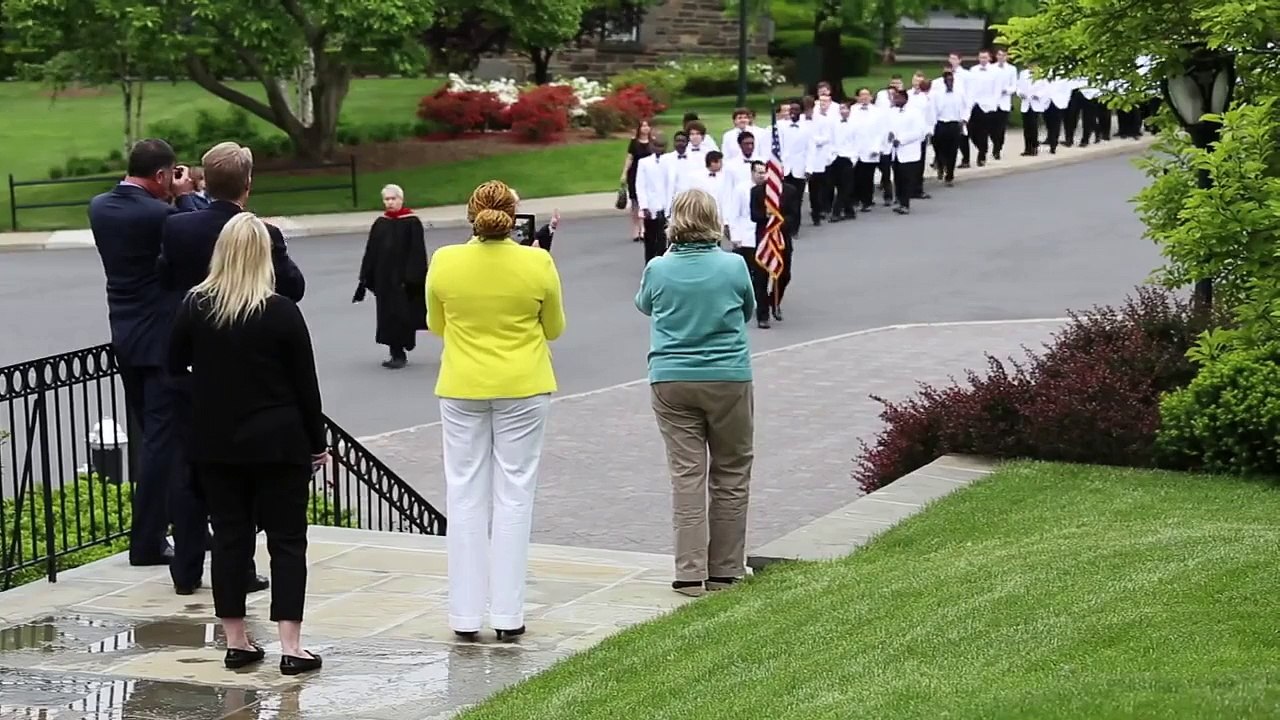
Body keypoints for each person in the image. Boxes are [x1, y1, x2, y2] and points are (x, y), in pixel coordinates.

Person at [167, 212, 326, 677]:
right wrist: (317, 443)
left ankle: (236, 640)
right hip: (278, 441)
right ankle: (291, 646)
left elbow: (173, 364)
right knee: (287, 541)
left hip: (216, 441)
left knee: (231, 538)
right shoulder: (280, 310)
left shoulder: (195, 305)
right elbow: (305, 385)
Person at [160, 140, 306, 594]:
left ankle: (186, 569)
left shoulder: (178, 229)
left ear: (205, 178)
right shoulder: (263, 235)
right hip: (256, 384)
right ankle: (241, 569)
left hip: (200, 373)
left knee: (194, 477)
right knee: (252, 492)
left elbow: (167, 280)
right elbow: (293, 289)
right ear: (248, 184)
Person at [426, 180, 566, 643]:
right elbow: (554, 328)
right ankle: (508, 613)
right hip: (523, 384)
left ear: (472, 216)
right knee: (514, 494)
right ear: (512, 216)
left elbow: (436, 323)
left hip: (463, 384)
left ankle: (464, 615)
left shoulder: (445, 260)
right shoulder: (537, 261)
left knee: (464, 494)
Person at [634, 188, 755, 598]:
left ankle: (689, 571)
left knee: (687, 474)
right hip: (727, 376)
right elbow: (747, 309)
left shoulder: (658, 268)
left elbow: (644, 305)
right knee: (732, 469)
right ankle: (726, 568)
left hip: (671, 378)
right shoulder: (734, 265)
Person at [88, 138, 195, 572]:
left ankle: (180, 527)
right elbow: (194, 239)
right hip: (162, 342)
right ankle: (148, 540)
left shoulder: (99, 207)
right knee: (161, 443)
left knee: (156, 439)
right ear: (161, 175)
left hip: (126, 336)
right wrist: (187, 198)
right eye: (171, 176)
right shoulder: (162, 215)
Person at [355, 184, 428, 369]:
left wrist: (413, 277)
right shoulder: (381, 223)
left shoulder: (411, 222)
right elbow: (371, 250)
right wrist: (366, 276)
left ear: (401, 199)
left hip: (404, 280)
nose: (390, 202)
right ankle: (394, 352)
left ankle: (401, 350)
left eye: (393, 199)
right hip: (384, 278)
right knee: (387, 315)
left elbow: (417, 252)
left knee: (402, 314)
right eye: (386, 199)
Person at [886, 89, 929, 215]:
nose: (895, 100)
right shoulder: (891, 112)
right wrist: (890, 135)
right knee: (898, 178)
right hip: (895, 153)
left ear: (905, 99)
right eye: (894, 98)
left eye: (898, 98)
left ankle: (905, 203)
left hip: (909, 151)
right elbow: (888, 127)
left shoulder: (915, 112)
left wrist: (901, 139)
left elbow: (919, 132)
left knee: (906, 179)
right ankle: (899, 200)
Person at [636, 135, 672, 264]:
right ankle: (649, 263)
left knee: (663, 239)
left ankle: (662, 263)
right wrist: (644, 206)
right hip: (650, 206)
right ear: (651, 146)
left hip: (665, 205)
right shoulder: (644, 162)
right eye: (656, 146)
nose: (658, 149)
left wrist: (669, 207)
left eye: (661, 146)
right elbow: (640, 185)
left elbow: (671, 184)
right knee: (650, 238)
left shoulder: (670, 161)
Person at [931, 71, 969, 186]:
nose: (949, 83)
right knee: (939, 149)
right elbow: (933, 110)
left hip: (954, 124)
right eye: (947, 80)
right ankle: (941, 165)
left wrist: (964, 119)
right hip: (941, 124)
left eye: (951, 80)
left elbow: (966, 107)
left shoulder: (959, 94)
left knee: (952, 151)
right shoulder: (937, 95)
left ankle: (950, 174)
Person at [621, 120, 653, 244]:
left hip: (648, 176)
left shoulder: (652, 142)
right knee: (635, 202)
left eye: (647, 125)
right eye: (643, 126)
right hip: (634, 175)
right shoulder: (634, 142)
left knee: (646, 202)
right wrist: (624, 173)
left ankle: (644, 228)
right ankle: (636, 228)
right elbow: (629, 158)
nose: (645, 128)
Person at [1017, 64, 1051, 156]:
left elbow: (1045, 88)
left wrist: (1038, 95)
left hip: (1035, 103)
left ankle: (1034, 148)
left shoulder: (1041, 73)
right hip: (1025, 103)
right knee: (1026, 127)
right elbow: (1019, 86)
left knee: (1033, 126)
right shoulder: (1023, 74)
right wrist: (1020, 93)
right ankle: (1027, 148)